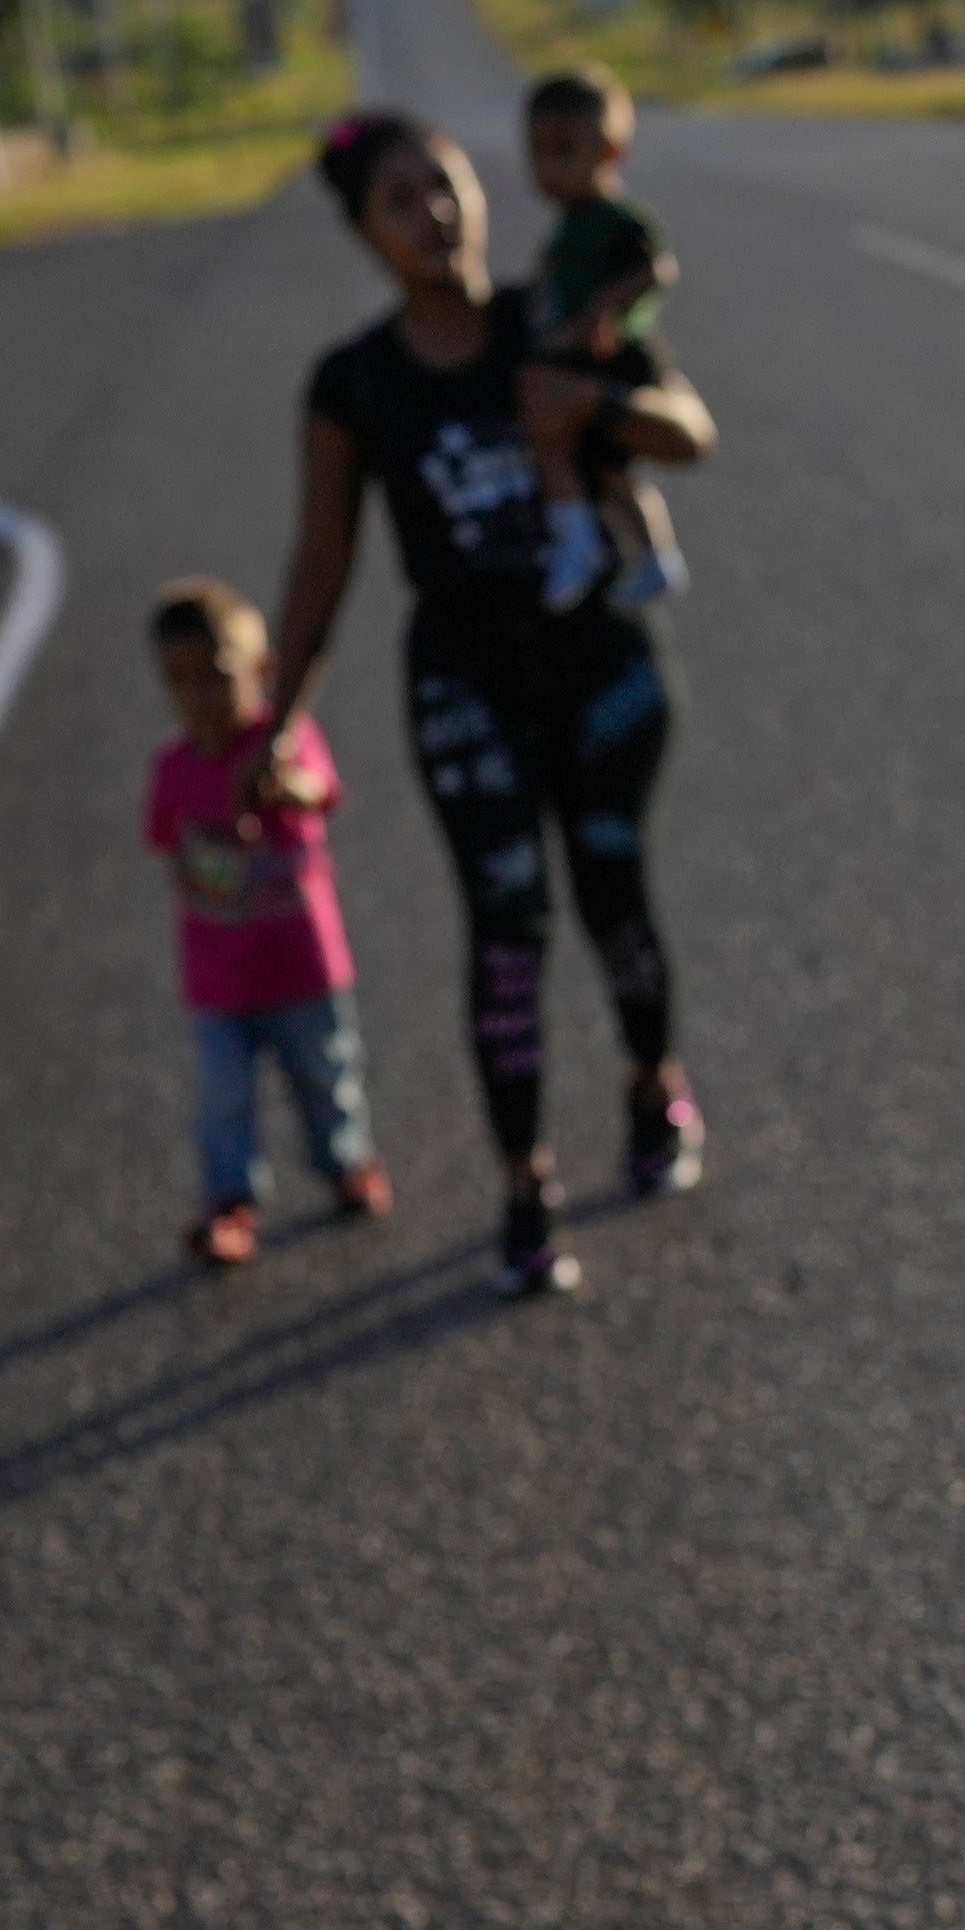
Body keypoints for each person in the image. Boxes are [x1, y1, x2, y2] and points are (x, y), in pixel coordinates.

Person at [261, 109, 715, 1301]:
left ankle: (650, 1082)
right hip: (465, 685)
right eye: (401, 201)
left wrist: (597, 410)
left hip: (603, 667)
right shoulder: (353, 384)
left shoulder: (556, 315)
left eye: (447, 185)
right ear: (365, 232)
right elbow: (321, 565)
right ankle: (525, 1182)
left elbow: (689, 431)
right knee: (507, 927)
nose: (436, 214)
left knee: (615, 895)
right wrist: (273, 721)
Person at [142, 578, 388, 1264]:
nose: (198, 697)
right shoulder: (173, 768)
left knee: (326, 1073)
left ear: (261, 674)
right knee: (223, 1102)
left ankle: (347, 1163)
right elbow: (173, 859)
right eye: (178, 682)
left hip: (303, 964)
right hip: (219, 980)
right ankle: (229, 1203)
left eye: (216, 678)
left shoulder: (283, 742)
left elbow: (320, 790)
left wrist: (285, 784)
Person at [520, 67, 688, 614]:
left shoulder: (613, 218)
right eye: (538, 152)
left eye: (564, 151)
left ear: (610, 151)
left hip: (616, 359)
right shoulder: (569, 224)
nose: (548, 168)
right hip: (587, 356)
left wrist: (602, 308)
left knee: (562, 447)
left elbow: (656, 268)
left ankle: (584, 545)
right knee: (606, 471)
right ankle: (648, 556)